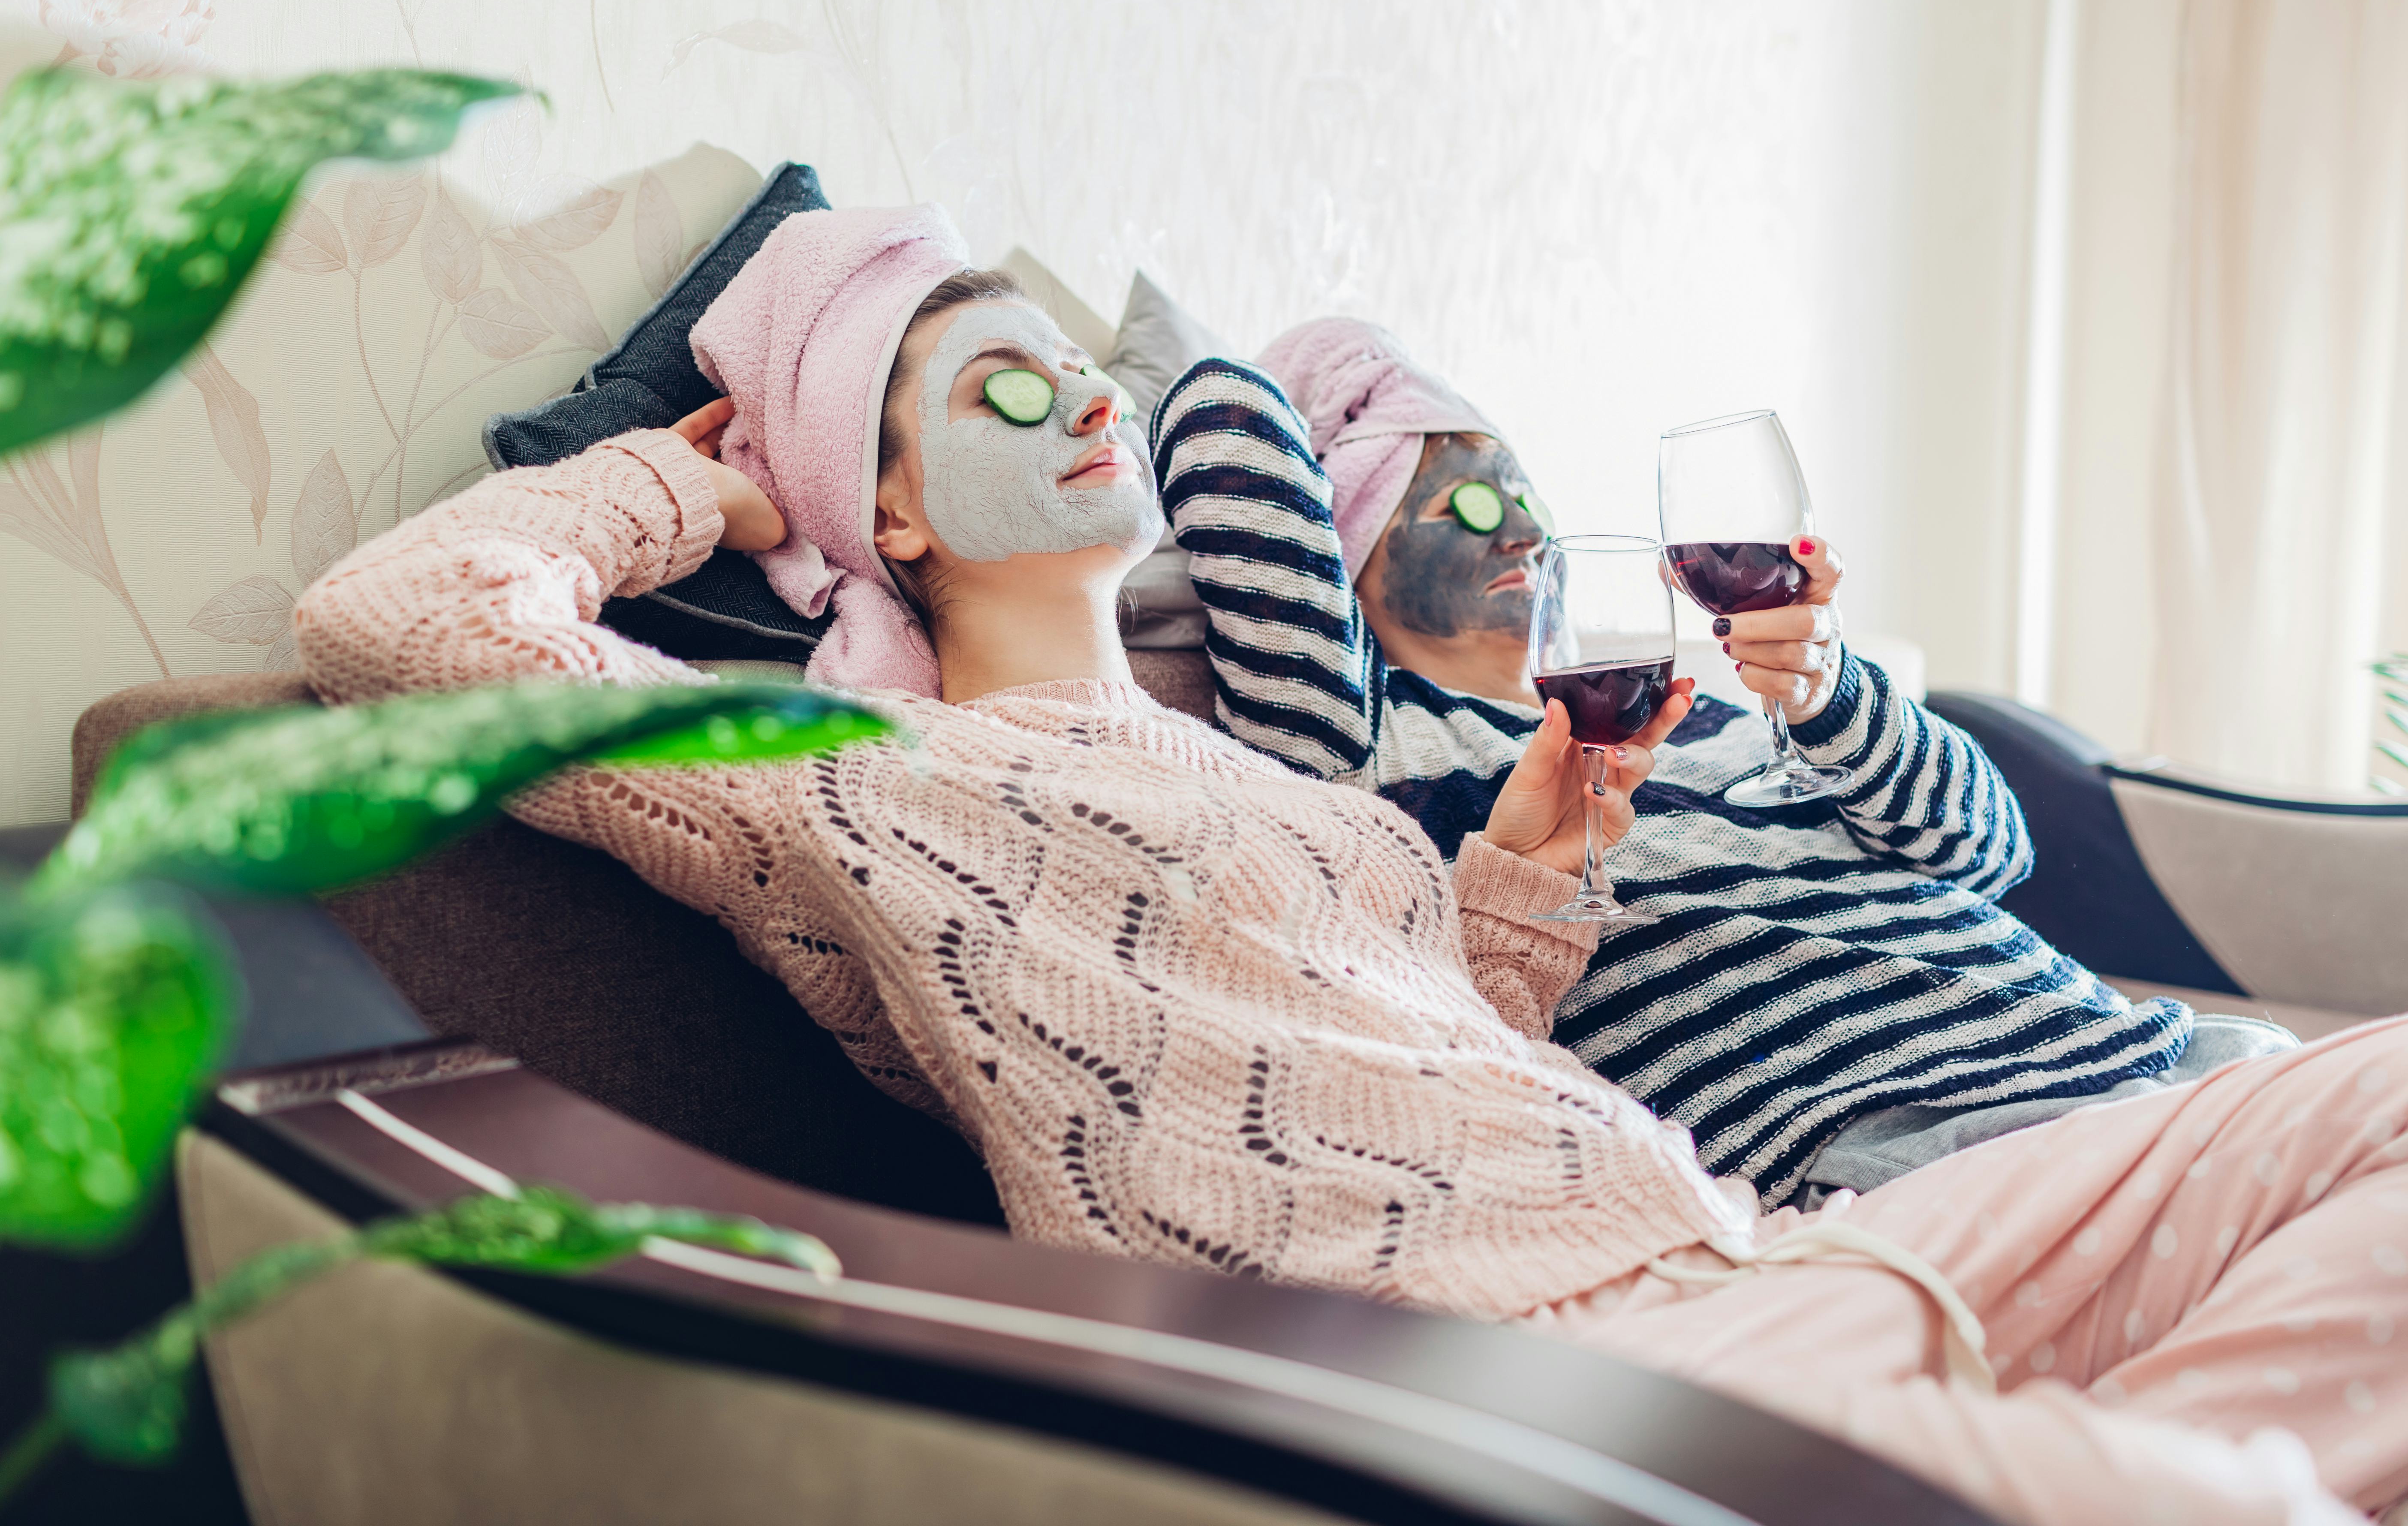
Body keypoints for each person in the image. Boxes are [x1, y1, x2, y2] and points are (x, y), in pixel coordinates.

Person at [296, 205, 2403, 1526]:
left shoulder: (1296, 798)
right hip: (1531, 1367)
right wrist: (688, 490)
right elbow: (398, 633)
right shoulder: (853, 772)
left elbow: (1408, 1064)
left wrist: (1524, 881)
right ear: (900, 512)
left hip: (1748, 1249)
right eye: (995, 380)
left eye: (1074, 354)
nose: (1084, 396)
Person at [1158, 318, 2293, 1207]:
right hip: (1919, 1149)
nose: (1517, 526)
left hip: (2143, 1056)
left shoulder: (1707, 711)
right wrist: (1369, 398)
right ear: (1347, 536)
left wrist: (1833, 694)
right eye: (1461, 496)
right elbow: (1222, 408)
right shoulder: (1366, 750)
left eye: (1524, 491)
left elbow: (1989, 851)